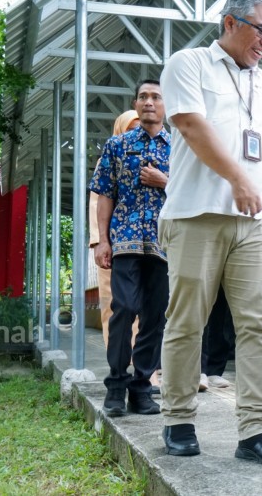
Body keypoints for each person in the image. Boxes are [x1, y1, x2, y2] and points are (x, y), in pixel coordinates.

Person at [158, 0, 262, 465]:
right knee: (187, 321)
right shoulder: (188, 64)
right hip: (197, 213)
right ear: (231, 22)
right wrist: (237, 179)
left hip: (258, 221)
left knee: (258, 324)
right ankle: (177, 419)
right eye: (261, 31)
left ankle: (256, 431)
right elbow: (192, 126)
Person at [89, 81, 170, 418]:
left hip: (165, 245)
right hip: (125, 241)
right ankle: (116, 386)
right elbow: (105, 193)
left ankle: (141, 388)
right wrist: (103, 240)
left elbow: (195, 193)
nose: (149, 102)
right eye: (143, 97)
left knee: (155, 316)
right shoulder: (117, 145)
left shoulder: (180, 147)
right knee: (123, 308)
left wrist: (164, 182)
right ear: (135, 103)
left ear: (166, 104)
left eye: (156, 97)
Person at [90, 110, 140, 348]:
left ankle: (141, 357)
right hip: (113, 244)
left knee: (144, 302)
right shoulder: (108, 160)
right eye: (130, 130)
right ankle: (117, 354)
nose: (135, 135)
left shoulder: (155, 156)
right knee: (113, 301)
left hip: (144, 245)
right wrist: (100, 242)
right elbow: (96, 203)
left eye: (139, 129)